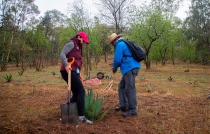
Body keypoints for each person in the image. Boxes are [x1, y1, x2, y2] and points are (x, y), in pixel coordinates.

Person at [60, 32, 93, 124]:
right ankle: (81, 116)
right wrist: (66, 65)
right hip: (67, 71)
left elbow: (76, 61)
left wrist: (78, 74)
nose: (83, 42)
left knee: (76, 94)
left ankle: (65, 113)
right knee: (81, 91)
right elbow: (62, 54)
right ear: (79, 37)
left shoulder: (79, 47)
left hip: (74, 71)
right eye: (83, 40)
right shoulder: (71, 44)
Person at [108, 33, 141, 117]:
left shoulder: (119, 44)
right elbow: (123, 57)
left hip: (130, 68)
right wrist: (115, 63)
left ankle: (132, 109)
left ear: (115, 40)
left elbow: (118, 60)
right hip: (130, 67)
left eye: (112, 43)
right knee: (121, 86)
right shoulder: (123, 43)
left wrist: (114, 68)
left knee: (129, 88)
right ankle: (124, 106)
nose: (112, 45)